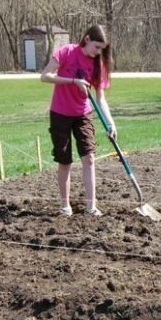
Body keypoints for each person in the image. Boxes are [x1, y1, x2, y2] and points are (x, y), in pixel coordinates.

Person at [40, 24, 116, 217]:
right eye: (96, 47)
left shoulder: (100, 65)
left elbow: (100, 98)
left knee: (89, 158)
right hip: (60, 113)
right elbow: (45, 76)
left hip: (83, 114)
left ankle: (91, 206)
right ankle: (65, 206)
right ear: (87, 39)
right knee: (64, 161)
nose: (99, 52)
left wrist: (111, 123)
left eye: (102, 49)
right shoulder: (67, 52)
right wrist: (73, 81)